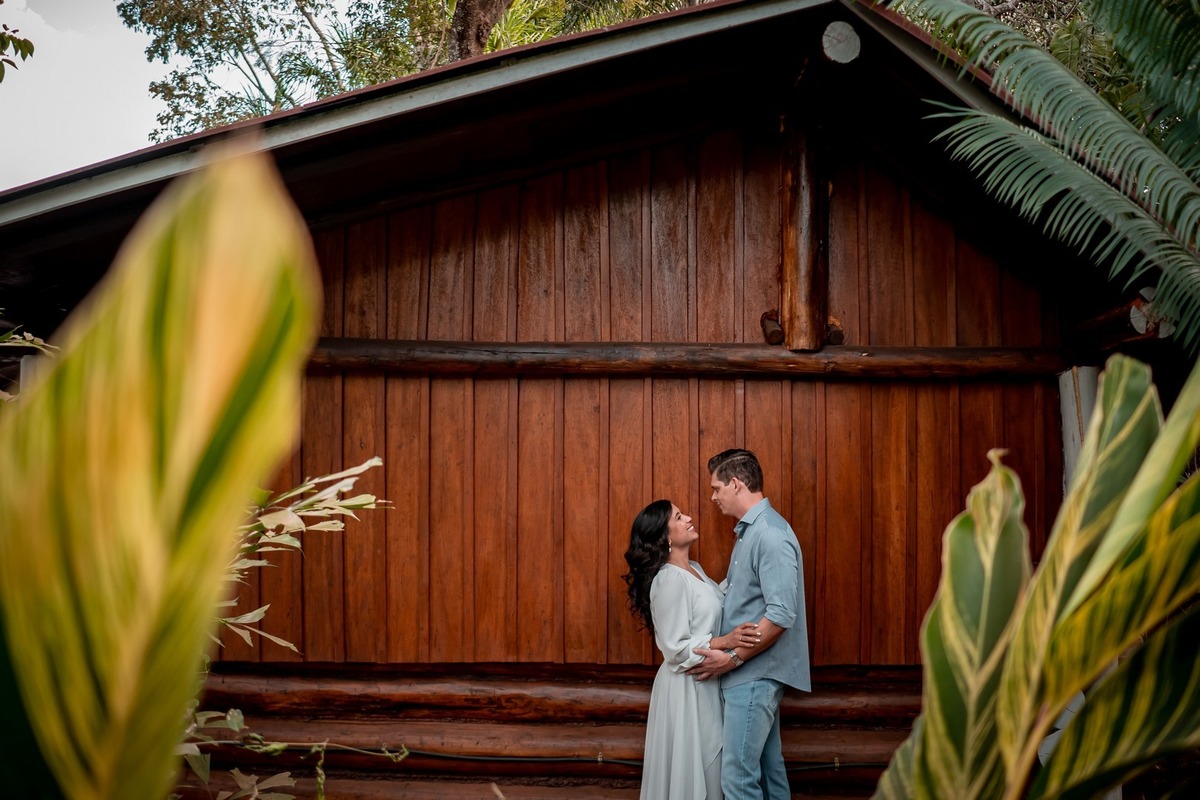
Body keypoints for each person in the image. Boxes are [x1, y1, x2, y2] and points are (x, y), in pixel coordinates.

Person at [690, 449, 810, 800]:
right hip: (752, 677)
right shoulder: (750, 533)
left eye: (716, 488)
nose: (713, 497)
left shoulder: (770, 535)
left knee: (738, 781)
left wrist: (732, 659)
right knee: (770, 778)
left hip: (754, 677)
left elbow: (781, 614)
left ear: (737, 483)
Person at [624, 499, 761, 800]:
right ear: (665, 536)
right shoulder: (669, 579)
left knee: (712, 770)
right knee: (697, 772)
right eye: (678, 516)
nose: (688, 518)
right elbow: (675, 647)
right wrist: (725, 641)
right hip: (685, 688)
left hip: (704, 684)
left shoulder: (695, 570)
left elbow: (720, 599)